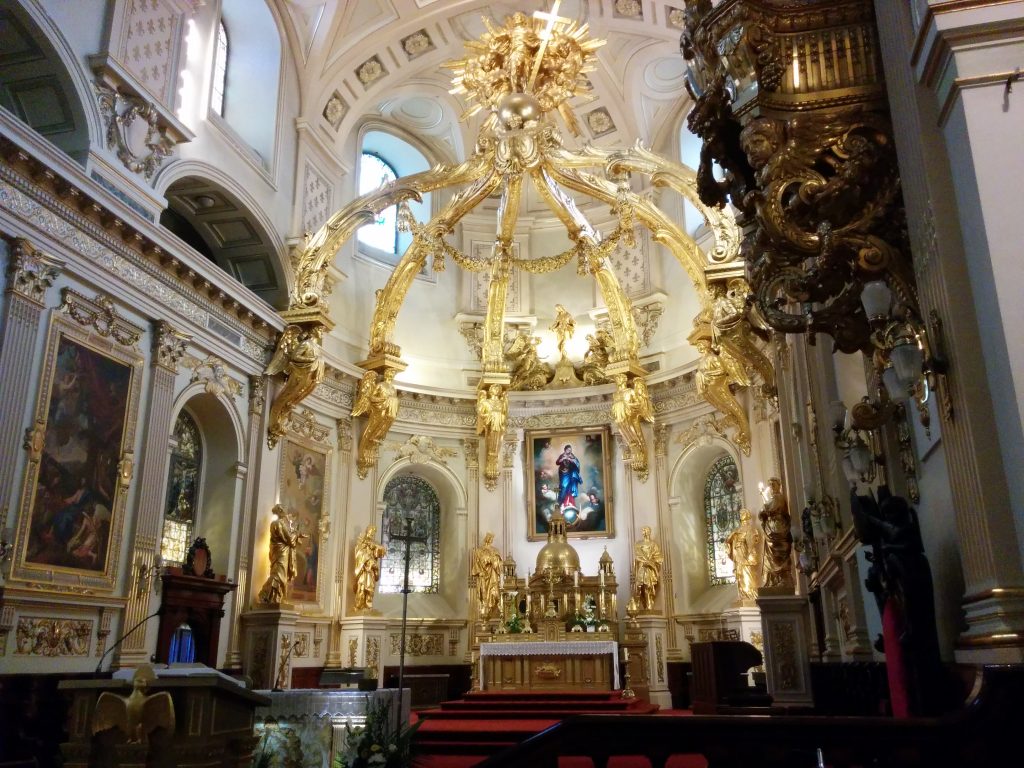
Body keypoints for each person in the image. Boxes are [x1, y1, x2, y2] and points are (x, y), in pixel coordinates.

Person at [258, 505, 307, 605]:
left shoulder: (276, 524)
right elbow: (289, 540)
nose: (286, 511)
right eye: (284, 509)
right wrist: (297, 533)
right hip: (281, 553)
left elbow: (287, 538)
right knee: (279, 575)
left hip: (279, 552)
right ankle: (266, 595)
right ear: (280, 511)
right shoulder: (279, 524)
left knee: (278, 574)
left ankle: (275, 597)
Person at [758, 477, 793, 588]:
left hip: (777, 528)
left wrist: (763, 511)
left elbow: (768, 508)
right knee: (773, 555)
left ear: (779, 485)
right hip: (772, 528)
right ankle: (776, 579)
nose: (772, 487)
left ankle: (782, 578)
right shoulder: (774, 498)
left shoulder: (778, 497)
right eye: (770, 485)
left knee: (778, 553)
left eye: (774, 484)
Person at [725, 508, 762, 604]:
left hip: (745, 554)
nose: (741, 514)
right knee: (739, 575)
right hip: (738, 553)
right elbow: (728, 540)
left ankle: (750, 595)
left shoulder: (751, 528)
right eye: (740, 513)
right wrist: (732, 537)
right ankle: (742, 595)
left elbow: (753, 541)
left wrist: (748, 552)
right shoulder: (737, 530)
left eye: (743, 513)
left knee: (747, 574)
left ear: (747, 515)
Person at [353, 524, 387, 611]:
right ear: (367, 531)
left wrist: (375, 547)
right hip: (363, 570)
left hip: (371, 570)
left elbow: (381, 552)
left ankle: (368, 606)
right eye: (371, 531)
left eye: (373, 532)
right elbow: (359, 554)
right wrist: (367, 559)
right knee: (361, 588)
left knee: (370, 589)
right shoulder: (362, 542)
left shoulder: (373, 543)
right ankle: (359, 606)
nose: (372, 534)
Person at [470, 532, 503, 619]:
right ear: (487, 539)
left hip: (493, 574)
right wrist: (482, 568)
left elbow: (499, 564)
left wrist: (494, 561)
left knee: (495, 590)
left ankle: (496, 609)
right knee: (484, 594)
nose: (491, 540)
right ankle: (485, 610)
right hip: (483, 576)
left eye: (492, 539)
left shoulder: (495, 550)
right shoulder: (479, 551)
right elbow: (477, 563)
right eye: (490, 538)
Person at [632, 526, 663, 611]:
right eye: (643, 530)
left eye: (646, 530)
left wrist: (650, 562)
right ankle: (639, 606)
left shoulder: (653, 545)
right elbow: (637, 556)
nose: (645, 532)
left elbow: (658, 557)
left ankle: (649, 606)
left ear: (650, 532)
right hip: (641, 568)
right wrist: (643, 561)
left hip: (650, 569)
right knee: (638, 586)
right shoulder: (638, 544)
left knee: (648, 587)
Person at [555, 444, 582, 510]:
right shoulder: (562, 455)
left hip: (570, 474)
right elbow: (557, 462)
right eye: (568, 450)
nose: (569, 451)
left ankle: (568, 503)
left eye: (570, 450)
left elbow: (577, 463)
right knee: (563, 487)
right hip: (563, 474)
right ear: (565, 449)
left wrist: (572, 460)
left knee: (569, 488)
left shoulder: (572, 456)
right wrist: (562, 459)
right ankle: (560, 503)